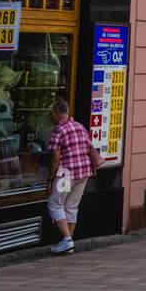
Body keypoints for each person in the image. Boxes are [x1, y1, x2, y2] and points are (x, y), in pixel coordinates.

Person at [46, 97, 100, 255]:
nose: (50, 117)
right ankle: (68, 241)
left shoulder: (59, 130)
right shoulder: (80, 126)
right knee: (71, 206)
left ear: (56, 113)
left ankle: (67, 240)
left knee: (55, 204)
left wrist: (50, 180)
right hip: (83, 172)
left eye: (51, 114)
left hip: (66, 173)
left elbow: (55, 158)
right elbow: (89, 148)